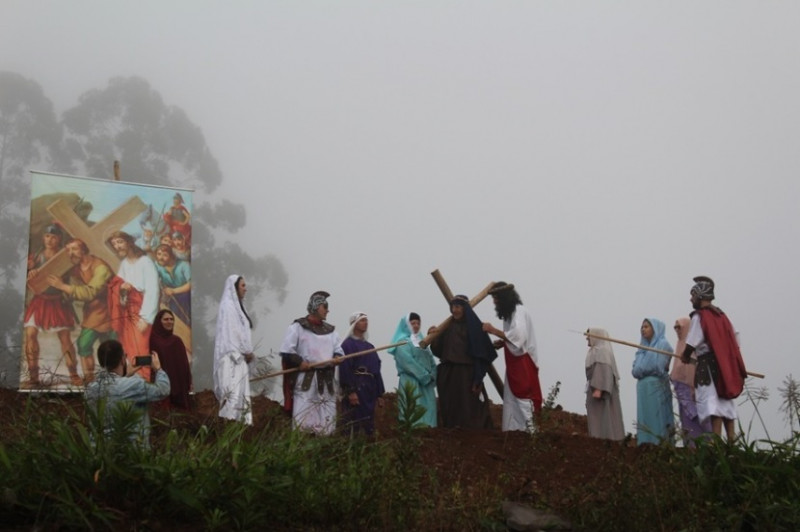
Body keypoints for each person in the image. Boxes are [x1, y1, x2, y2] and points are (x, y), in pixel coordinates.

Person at [680, 276, 747, 442]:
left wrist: (686, 355)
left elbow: (693, 340)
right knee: (725, 402)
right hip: (724, 366)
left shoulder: (699, 317)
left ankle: (715, 443)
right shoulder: (722, 316)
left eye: (693, 295)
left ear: (700, 296)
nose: (691, 299)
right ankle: (731, 441)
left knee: (714, 404)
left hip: (708, 367)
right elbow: (735, 337)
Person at [46, 238, 115, 384]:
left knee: (111, 348)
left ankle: (114, 381)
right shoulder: (76, 268)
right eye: (68, 250)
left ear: (84, 249)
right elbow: (74, 291)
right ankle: (90, 381)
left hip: (110, 312)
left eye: (74, 249)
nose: (71, 253)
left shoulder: (101, 267)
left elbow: (89, 292)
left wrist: (62, 286)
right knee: (84, 345)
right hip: (92, 313)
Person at [23, 224, 80, 388]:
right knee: (31, 334)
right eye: (47, 236)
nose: (50, 239)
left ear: (59, 239)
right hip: (39, 300)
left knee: (65, 338)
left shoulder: (66, 257)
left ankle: (74, 373)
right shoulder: (36, 257)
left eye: (54, 237)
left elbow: (75, 277)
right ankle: (34, 376)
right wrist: (30, 273)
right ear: (43, 238)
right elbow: (28, 283)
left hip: (57, 301)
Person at [279, 291, 344, 435]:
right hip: (306, 379)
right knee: (303, 416)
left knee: (327, 419)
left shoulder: (331, 331)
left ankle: (324, 446)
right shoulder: (298, 327)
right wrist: (299, 361)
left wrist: (337, 357)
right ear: (315, 306)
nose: (328, 310)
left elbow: (339, 349)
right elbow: (287, 350)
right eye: (324, 306)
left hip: (326, 380)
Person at [84, 339, 170, 447]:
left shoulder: (90, 389)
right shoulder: (133, 385)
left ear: (101, 362)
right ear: (122, 359)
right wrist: (158, 369)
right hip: (131, 452)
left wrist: (126, 375)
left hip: (100, 451)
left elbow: (114, 388)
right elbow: (162, 390)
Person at [482, 282, 542, 432]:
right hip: (514, 363)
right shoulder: (510, 315)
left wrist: (493, 330)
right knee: (511, 400)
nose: (494, 302)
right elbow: (514, 338)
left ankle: (529, 434)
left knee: (523, 398)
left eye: (496, 298)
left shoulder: (519, 311)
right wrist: (503, 342)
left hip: (523, 363)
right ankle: (512, 433)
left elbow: (519, 336)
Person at [430, 295, 493, 429]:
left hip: (467, 374)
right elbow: (438, 350)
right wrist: (434, 336)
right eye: (452, 307)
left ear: (465, 309)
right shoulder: (447, 327)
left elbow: (481, 355)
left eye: (458, 307)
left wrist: (477, 378)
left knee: (468, 407)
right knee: (449, 404)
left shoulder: (475, 328)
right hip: (448, 373)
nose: (454, 310)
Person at [107, 231, 160, 382]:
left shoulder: (145, 262)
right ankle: (131, 382)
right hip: (127, 312)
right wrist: (122, 289)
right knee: (127, 348)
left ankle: (144, 382)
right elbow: (118, 289)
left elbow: (152, 291)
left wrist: (146, 318)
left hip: (141, 311)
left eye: (120, 242)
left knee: (141, 349)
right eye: (114, 244)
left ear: (129, 242)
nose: (117, 246)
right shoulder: (124, 264)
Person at [213, 275, 255, 424]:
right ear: (234, 287)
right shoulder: (228, 306)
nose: (246, 289)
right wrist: (246, 350)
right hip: (231, 360)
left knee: (241, 400)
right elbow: (234, 332)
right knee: (231, 397)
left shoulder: (238, 308)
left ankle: (240, 433)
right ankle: (227, 430)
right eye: (243, 286)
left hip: (240, 359)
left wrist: (247, 352)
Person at [338, 312, 385, 436]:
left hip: (369, 388)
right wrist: (350, 391)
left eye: (366, 320)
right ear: (354, 324)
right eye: (362, 320)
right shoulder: (347, 345)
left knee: (368, 422)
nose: (366, 323)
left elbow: (376, 371)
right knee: (354, 422)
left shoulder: (370, 347)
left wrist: (379, 394)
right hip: (357, 385)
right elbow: (345, 368)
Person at [388, 312, 437, 427]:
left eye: (418, 323)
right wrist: (424, 375)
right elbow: (407, 363)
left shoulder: (423, 343)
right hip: (411, 381)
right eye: (413, 323)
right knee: (412, 409)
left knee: (428, 410)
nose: (416, 325)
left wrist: (433, 375)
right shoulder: (402, 342)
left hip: (426, 385)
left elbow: (431, 362)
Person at [632, 318, 674, 445]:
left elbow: (658, 366)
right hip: (642, 388)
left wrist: (643, 367)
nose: (643, 329)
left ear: (655, 329)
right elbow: (635, 371)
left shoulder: (663, 345)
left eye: (646, 326)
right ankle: (644, 444)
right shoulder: (641, 349)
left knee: (657, 418)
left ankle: (660, 444)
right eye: (642, 327)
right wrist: (644, 367)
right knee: (644, 418)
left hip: (656, 387)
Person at [671, 316, 711, 445]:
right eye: (675, 328)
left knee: (700, 424)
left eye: (679, 327)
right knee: (688, 427)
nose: (677, 330)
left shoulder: (692, 348)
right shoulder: (679, 347)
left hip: (695, 394)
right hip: (683, 396)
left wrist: (693, 388)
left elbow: (693, 370)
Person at [584, 328, 625, 441]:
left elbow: (604, 371)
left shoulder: (603, 351)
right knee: (596, 420)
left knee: (605, 419)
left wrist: (599, 388)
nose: (587, 337)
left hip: (600, 393)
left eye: (589, 335)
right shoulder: (593, 352)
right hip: (593, 389)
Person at [149, 309, 192, 410]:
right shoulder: (152, 340)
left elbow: (184, 366)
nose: (170, 322)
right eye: (166, 319)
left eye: (171, 319)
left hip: (179, 387)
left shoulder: (177, 341)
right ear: (159, 321)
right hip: (160, 385)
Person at [154, 244, 191, 325]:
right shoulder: (158, 265)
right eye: (159, 254)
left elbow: (191, 284)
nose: (161, 258)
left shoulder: (184, 265)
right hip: (171, 298)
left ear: (171, 256)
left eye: (165, 255)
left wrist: (174, 290)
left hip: (186, 297)